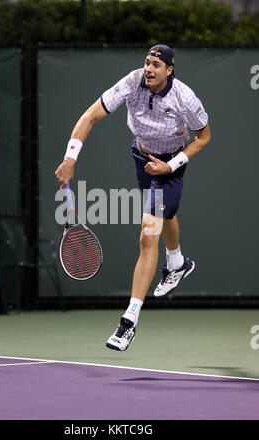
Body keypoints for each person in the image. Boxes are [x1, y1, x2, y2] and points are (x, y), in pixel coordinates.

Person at [55, 44, 211, 351]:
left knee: (147, 235)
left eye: (156, 64)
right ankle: (177, 262)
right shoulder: (132, 81)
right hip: (141, 158)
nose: (149, 68)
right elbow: (89, 118)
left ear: (169, 70)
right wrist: (70, 159)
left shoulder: (185, 98)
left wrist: (171, 164)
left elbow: (203, 136)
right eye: (147, 62)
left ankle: (129, 321)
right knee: (163, 214)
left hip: (169, 164)